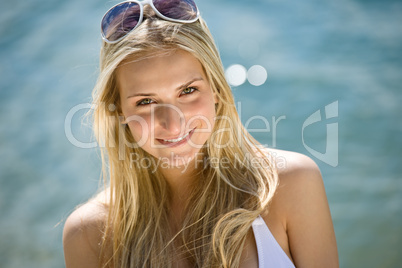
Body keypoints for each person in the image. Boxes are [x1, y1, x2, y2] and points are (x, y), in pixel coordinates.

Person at [63, 0, 339, 267]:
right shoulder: (88, 235)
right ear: (119, 110)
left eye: (188, 91)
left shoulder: (290, 184)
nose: (173, 125)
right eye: (146, 102)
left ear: (216, 89)